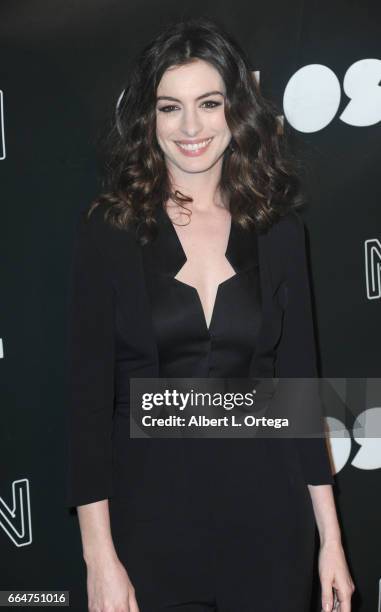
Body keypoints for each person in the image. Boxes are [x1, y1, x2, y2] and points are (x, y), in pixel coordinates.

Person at [65, 16, 355, 612]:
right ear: (149, 118)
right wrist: (100, 557)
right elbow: (87, 408)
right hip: (148, 535)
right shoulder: (110, 233)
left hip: (271, 528)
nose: (191, 127)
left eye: (209, 103)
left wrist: (332, 541)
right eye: (171, 107)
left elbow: (299, 398)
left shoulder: (279, 232)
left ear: (237, 111)